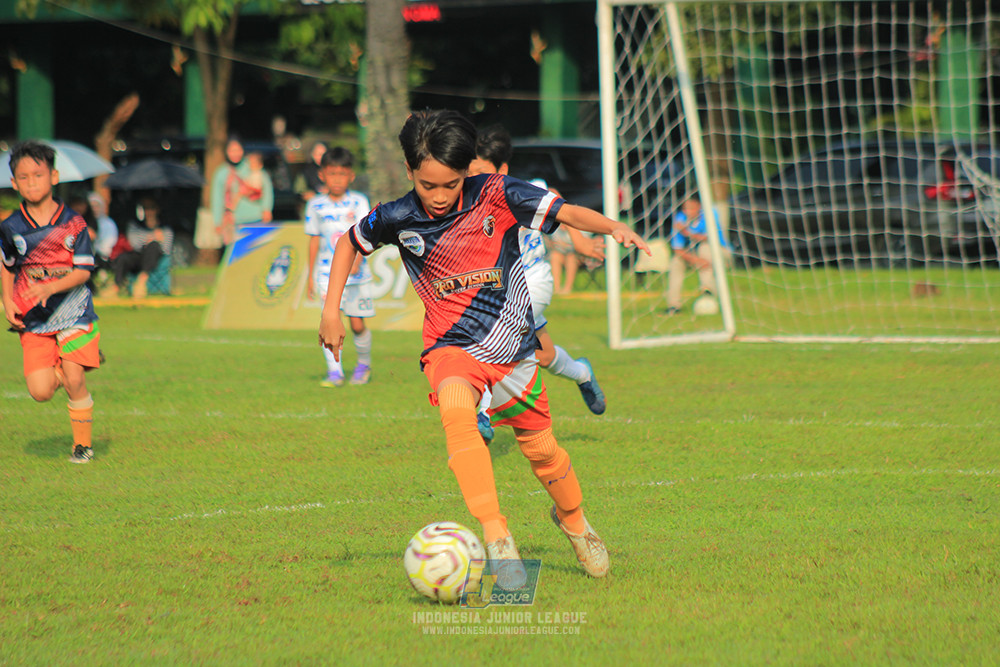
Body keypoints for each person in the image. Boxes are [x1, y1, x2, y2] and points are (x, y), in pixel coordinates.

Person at [319, 110, 650, 580]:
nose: (438, 196)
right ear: (410, 171)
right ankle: (497, 535)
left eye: (450, 184)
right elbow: (348, 242)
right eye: (427, 184)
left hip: (513, 353)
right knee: (457, 412)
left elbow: (565, 211)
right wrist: (331, 310)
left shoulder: (497, 194)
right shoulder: (396, 216)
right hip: (449, 348)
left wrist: (611, 226)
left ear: (466, 171)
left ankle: (576, 525)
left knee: (543, 454)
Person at [467, 124, 608, 447]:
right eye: (469, 172)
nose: (474, 179)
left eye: (481, 172)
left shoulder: (523, 189)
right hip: (499, 291)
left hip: (534, 281)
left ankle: (484, 414)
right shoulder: (469, 200)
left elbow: (556, 199)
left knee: (492, 337)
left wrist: (578, 240)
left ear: (502, 170)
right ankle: (581, 373)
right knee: (544, 357)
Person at [0, 140, 101, 463]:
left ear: (54, 176)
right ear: (14, 183)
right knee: (41, 392)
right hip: (34, 318)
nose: (32, 182)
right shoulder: (10, 227)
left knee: (74, 378)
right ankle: (68, 360)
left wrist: (51, 286)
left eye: (38, 175)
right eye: (24, 177)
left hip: (74, 311)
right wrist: (7, 299)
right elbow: (7, 264)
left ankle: (82, 446)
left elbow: (84, 271)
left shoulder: (74, 223)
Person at [305, 147, 374, 387]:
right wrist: (310, 276)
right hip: (326, 274)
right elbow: (314, 240)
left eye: (342, 174)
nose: (337, 179)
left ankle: (364, 365)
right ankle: (335, 372)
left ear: (351, 176)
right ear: (322, 174)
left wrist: (357, 260)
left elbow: (365, 235)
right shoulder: (315, 205)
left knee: (356, 323)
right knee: (330, 320)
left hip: (357, 276)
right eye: (332, 173)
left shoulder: (359, 202)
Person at [665, 193, 730, 315]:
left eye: (691, 208)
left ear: (699, 206)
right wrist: (695, 260)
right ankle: (673, 305)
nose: (687, 211)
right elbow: (677, 249)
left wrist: (686, 232)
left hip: (719, 251)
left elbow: (709, 239)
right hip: (695, 256)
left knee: (705, 249)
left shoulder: (710, 214)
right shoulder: (680, 219)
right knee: (676, 262)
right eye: (685, 208)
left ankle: (707, 290)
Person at [211, 135, 274, 247]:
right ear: (226, 151)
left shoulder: (251, 165)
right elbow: (217, 198)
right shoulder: (221, 172)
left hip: (256, 218)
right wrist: (217, 221)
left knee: (255, 254)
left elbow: (266, 186)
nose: (235, 153)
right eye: (231, 150)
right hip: (234, 223)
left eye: (238, 150)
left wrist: (267, 209)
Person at [107, 197, 174, 299]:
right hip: (138, 256)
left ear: (157, 210)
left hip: (156, 259)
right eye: (146, 208)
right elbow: (135, 244)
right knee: (123, 258)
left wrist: (151, 241)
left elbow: (167, 248)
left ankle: (141, 282)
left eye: (151, 208)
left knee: (153, 246)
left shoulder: (166, 229)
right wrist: (154, 237)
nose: (149, 212)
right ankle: (116, 288)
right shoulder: (134, 226)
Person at [295, 141, 328, 206]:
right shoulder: (306, 171)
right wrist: (305, 195)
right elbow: (298, 191)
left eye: (322, 154)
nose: (319, 157)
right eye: (316, 154)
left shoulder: (334, 170)